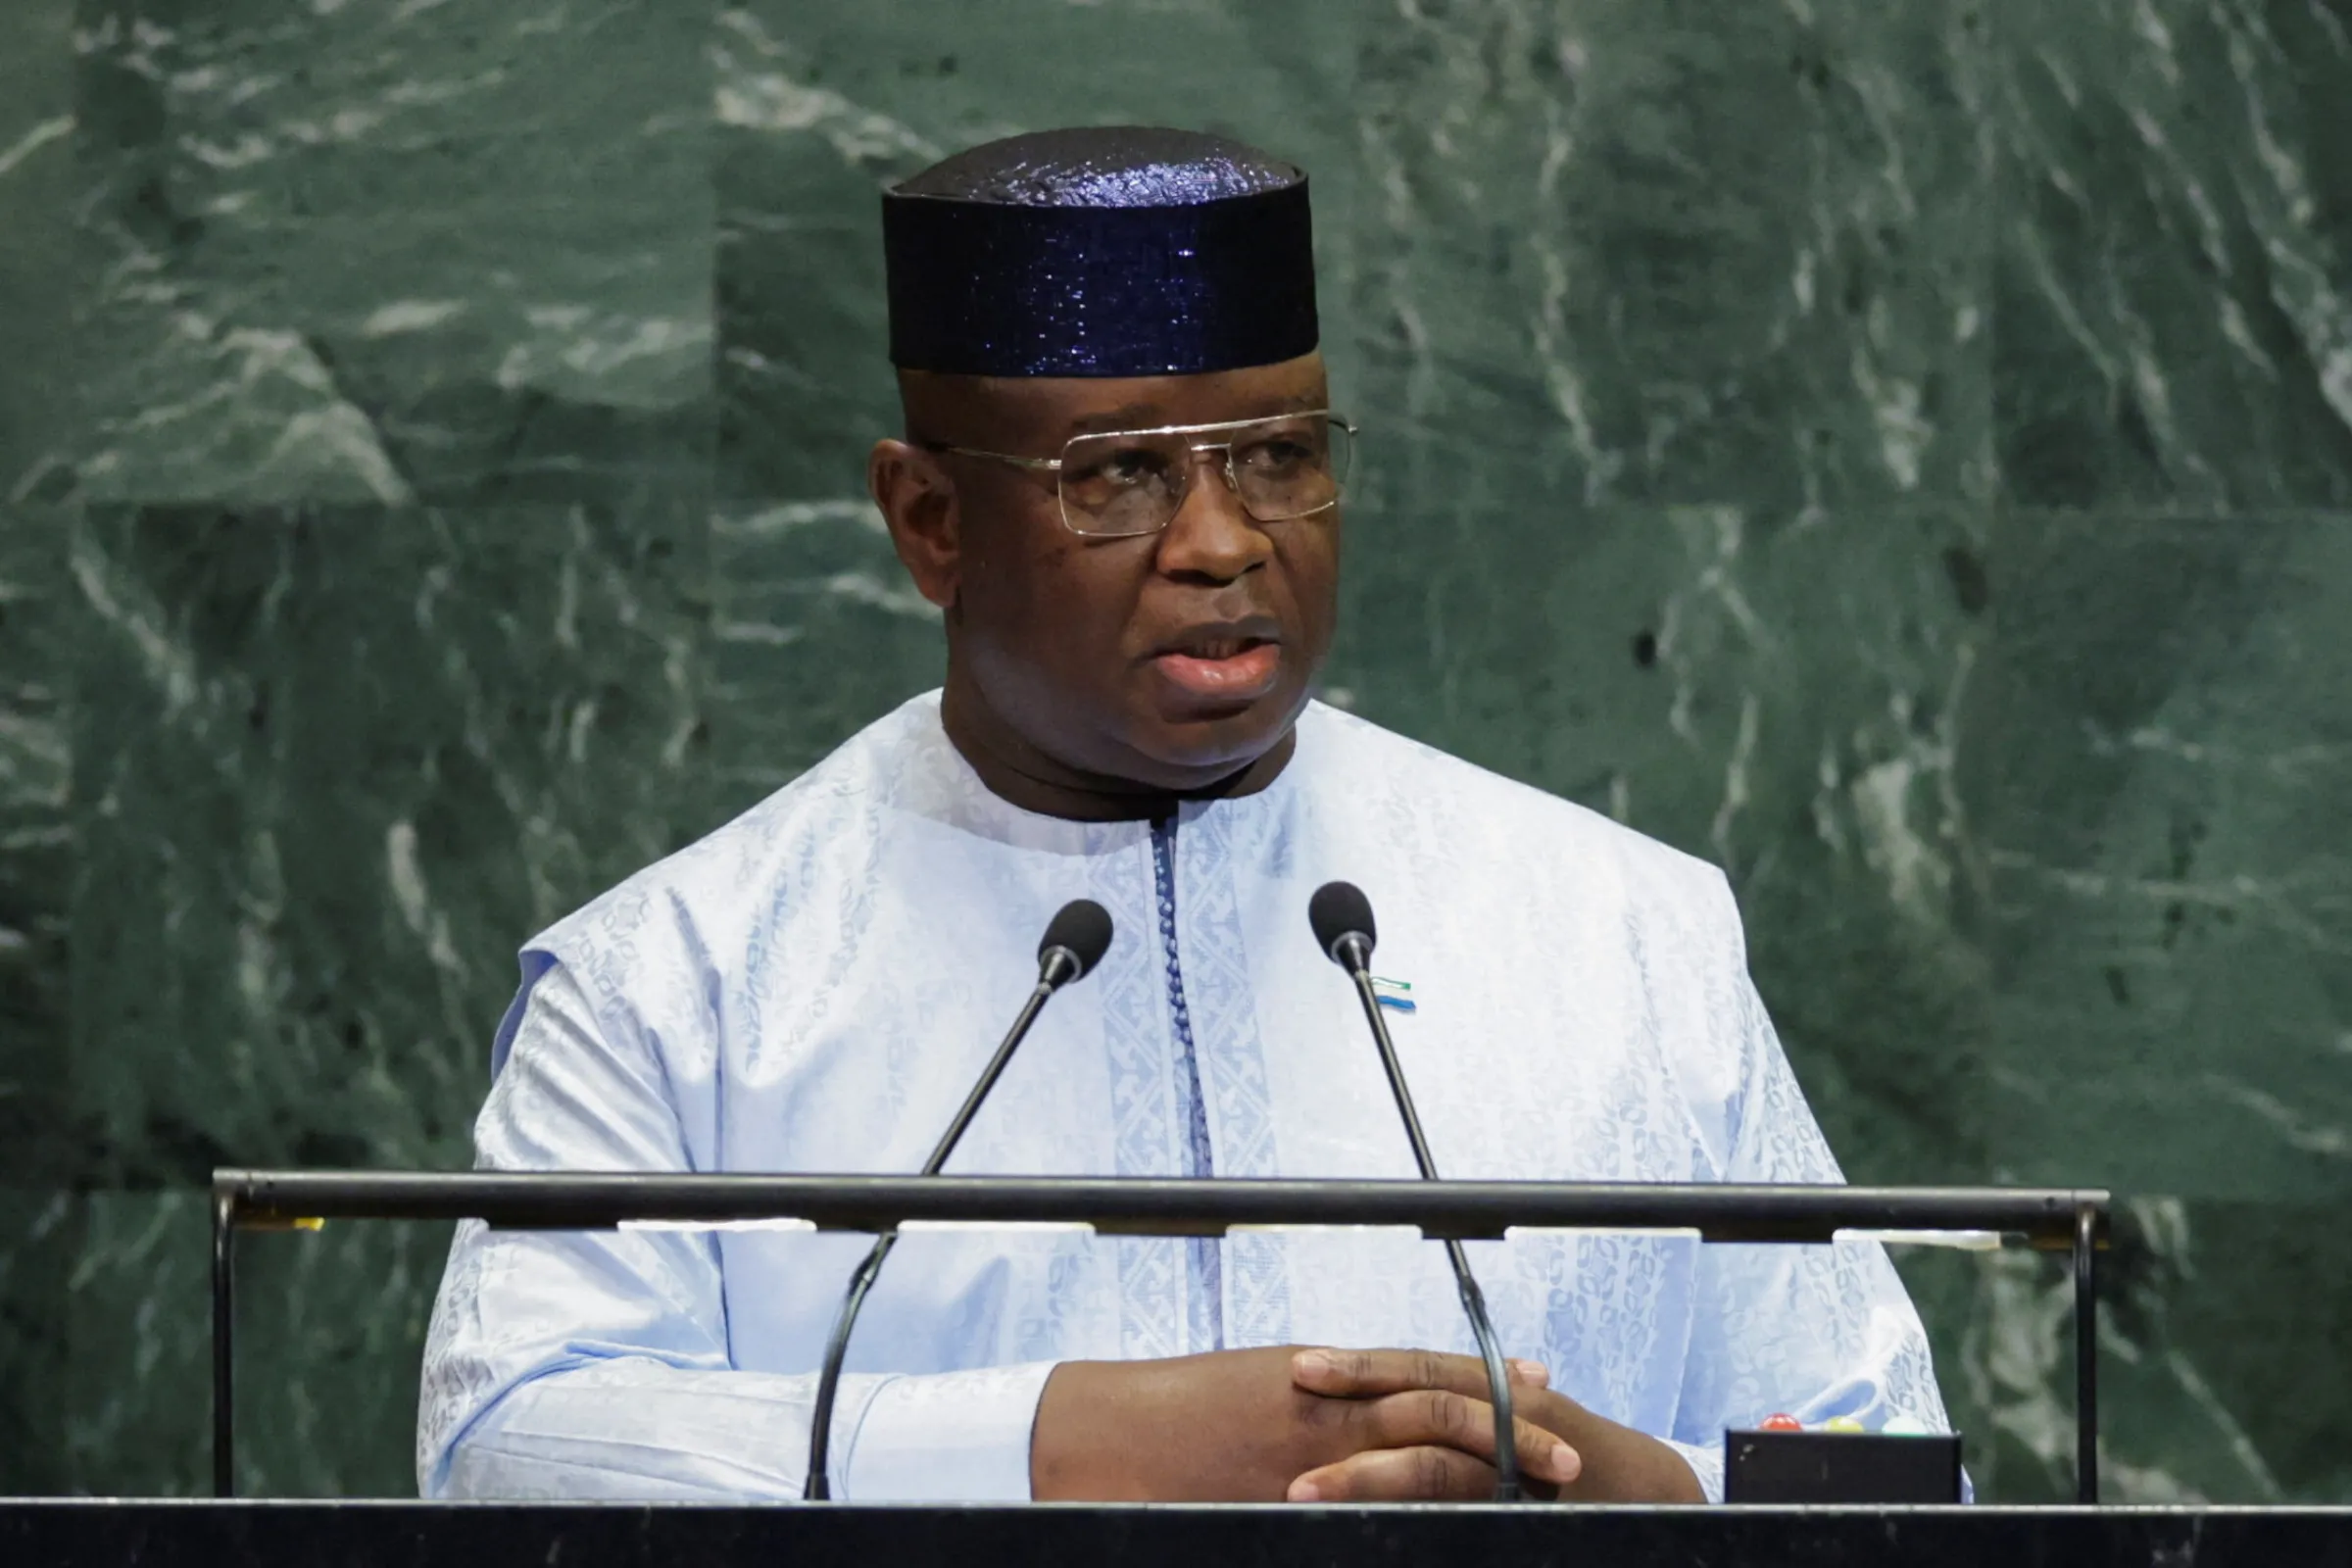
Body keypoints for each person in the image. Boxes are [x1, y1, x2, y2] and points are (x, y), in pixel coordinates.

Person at [416, 125, 1954, 1505]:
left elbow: (1891, 1474)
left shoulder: (1622, 933)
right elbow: (511, 1451)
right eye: (1122, 475)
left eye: (1278, 457)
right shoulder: (679, 986)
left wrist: (1626, 1495)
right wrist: (1068, 1444)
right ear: (930, 523)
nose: (1222, 542)